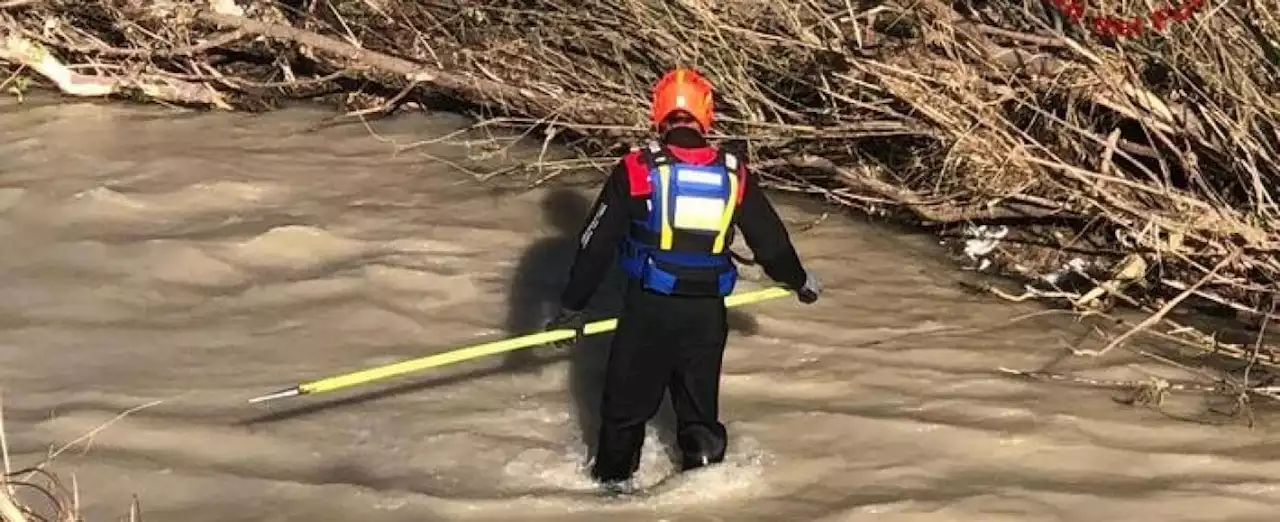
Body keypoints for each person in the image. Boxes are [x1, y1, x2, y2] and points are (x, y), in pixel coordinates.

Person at [543, 67, 821, 493]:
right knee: (698, 414)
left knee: (624, 414)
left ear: (658, 116)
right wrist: (798, 281)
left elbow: (594, 245)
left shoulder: (636, 169)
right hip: (707, 315)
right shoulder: (734, 172)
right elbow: (772, 244)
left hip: (648, 310)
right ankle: (705, 488)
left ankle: (612, 493)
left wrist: (571, 308)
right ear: (706, 116)